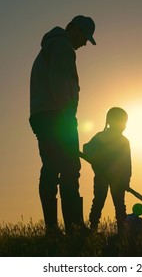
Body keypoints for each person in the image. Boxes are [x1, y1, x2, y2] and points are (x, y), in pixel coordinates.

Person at [29, 15, 96, 235]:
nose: (85, 43)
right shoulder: (61, 47)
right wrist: (68, 117)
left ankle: (54, 228)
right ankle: (74, 226)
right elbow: (58, 82)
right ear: (74, 29)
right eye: (84, 37)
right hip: (57, 117)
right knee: (69, 170)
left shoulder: (51, 46)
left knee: (52, 168)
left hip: (44, 115)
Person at [83, 107, 132, 235]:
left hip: (118, 180)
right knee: (99, 200)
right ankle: (93, 228)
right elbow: (86, 148)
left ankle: (122, 230)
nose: (123, 125)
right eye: (121, 122)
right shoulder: (101, 137)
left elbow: (127, 163)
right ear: (110, 122)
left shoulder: (124, 141)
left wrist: (126, 180)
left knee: (119, 204)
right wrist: (97, 160)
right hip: (101, 176)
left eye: (124, 122)